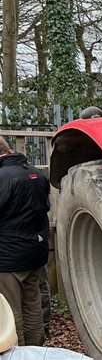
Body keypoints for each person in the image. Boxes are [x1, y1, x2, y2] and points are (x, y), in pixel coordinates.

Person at [0, 135, 50, 346]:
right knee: (33, 307)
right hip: (35, 252)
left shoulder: (2, 177)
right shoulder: (35, 173)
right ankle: (35, 354)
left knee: (11, 312)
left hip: (9, 257)